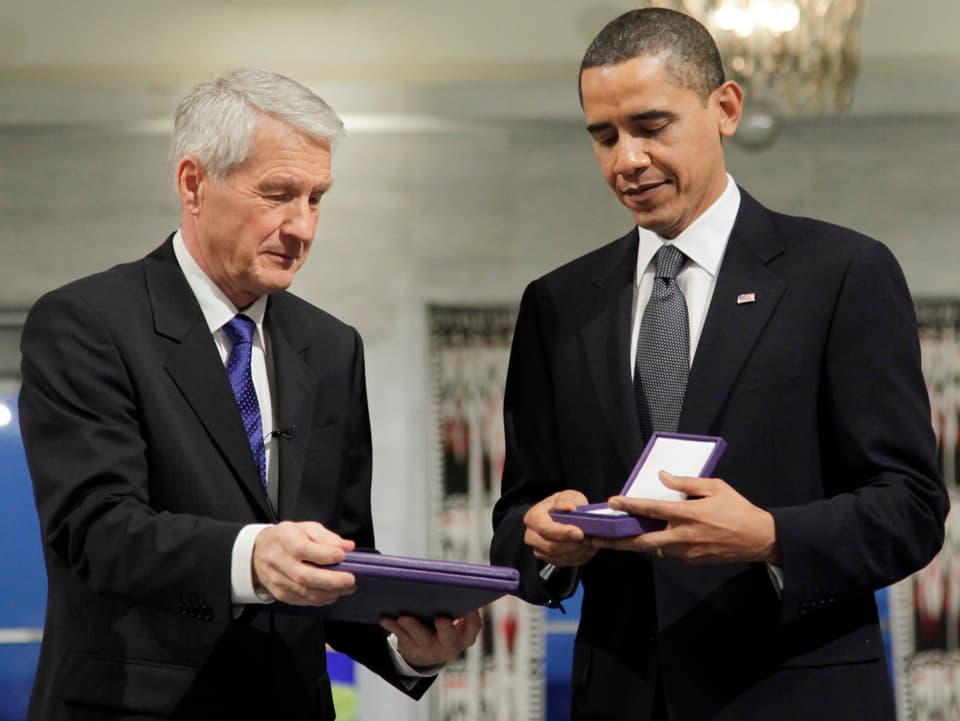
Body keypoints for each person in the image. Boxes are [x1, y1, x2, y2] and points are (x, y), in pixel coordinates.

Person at [490, 8, 948, 721]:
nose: (625, 160)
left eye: (650, 126)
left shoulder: (841, 274)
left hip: (798, 694)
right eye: (604, 136)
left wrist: (769, 535)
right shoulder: (558, 305)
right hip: (620, 697)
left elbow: (912, 508)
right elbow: (516, 518)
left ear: (725, 108)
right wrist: (542, 539)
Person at [19, 69, 480, 721]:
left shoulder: (332, 347)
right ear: (193, 183)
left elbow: (342, 551)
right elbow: (97, 528)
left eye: (317, 198)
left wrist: (408, 644)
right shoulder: (87, 323)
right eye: (278, 194)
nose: (302, 227)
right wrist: (253, 553)